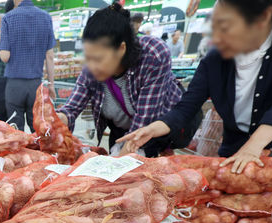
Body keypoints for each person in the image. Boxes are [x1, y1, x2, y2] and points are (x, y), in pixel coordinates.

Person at [122, 0, 272, 173]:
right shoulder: (215, 58)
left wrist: (254, 146)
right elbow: (187, 107)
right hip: (239, 141)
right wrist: (154, 128)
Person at [57, 5, 191, 156]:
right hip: (121, 129)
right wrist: (59, 119)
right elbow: (72, 107)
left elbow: (143, 124)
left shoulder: (153, 55)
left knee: (139, 170)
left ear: (121, 48)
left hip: (155, 126)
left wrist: (115, 167)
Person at [0, 0, 56, 131]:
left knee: (16, 129)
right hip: (36, 85)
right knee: (38, 128)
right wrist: (51, 85)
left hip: (14, 85)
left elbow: (5, 56)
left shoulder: (8, 18)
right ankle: (38, 151)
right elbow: (50, 56)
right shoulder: (46, 17)